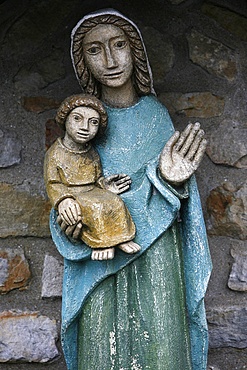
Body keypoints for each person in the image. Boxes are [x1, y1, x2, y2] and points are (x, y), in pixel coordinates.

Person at [49, 9, 212, 370]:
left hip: (157, 258)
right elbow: (63, 185)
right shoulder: (84, 125)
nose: (110, 60)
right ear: (83, 62)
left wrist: (171, 180)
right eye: (94, 50)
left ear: (135, 50)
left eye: (119, 45)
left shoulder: (156, 117)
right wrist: (68, 216)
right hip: (99, 264)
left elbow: (185, 207)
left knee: (161, 346)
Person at [44, 94, 140, 261]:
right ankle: (102, 244)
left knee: (115, 202)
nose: (85, 127)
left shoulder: (90, 151)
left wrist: (105, 186)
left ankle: (122, 238)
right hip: (74, 196)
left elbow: (96, 178)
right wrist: (63, 200)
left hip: (92, 190)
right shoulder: (55, 153)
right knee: (95, 207)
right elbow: (53, 183)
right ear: (64, 120)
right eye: (77, 119)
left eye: (93, 122)